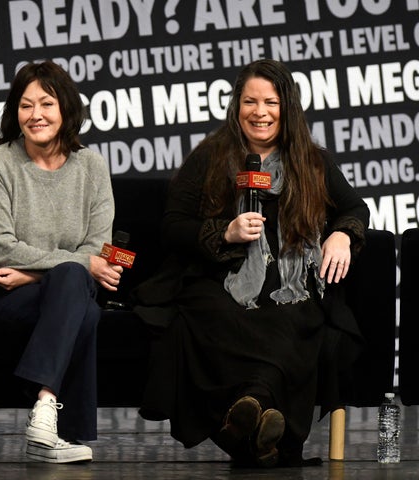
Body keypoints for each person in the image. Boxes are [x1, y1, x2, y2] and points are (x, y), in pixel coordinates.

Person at [132, 59, 369, 468]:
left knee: (288, 318)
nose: (259, 112)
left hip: (291, 288)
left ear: (287, 108)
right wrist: (224, 232)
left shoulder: (313, 163)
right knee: (212, 315)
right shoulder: (211, 156)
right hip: (221, 282)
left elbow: (354, 208)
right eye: (249, 102)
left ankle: (249, 416)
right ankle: (260, 425)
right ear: (236, 106)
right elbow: (173, 226)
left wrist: (342, 234)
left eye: (270, 102)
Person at [0, 60, 122, 464]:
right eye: (25, 105)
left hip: (43, 286)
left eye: (46, 103)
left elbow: (99, 246)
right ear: (14, 113)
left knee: (74, 284)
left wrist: (34, 273)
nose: (35, 115)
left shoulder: (91, 166)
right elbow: (2, 249)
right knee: (82, 306)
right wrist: (67, 268)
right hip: (4, 293)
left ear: (66, 109)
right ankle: (58, 428)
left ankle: (44, 408)